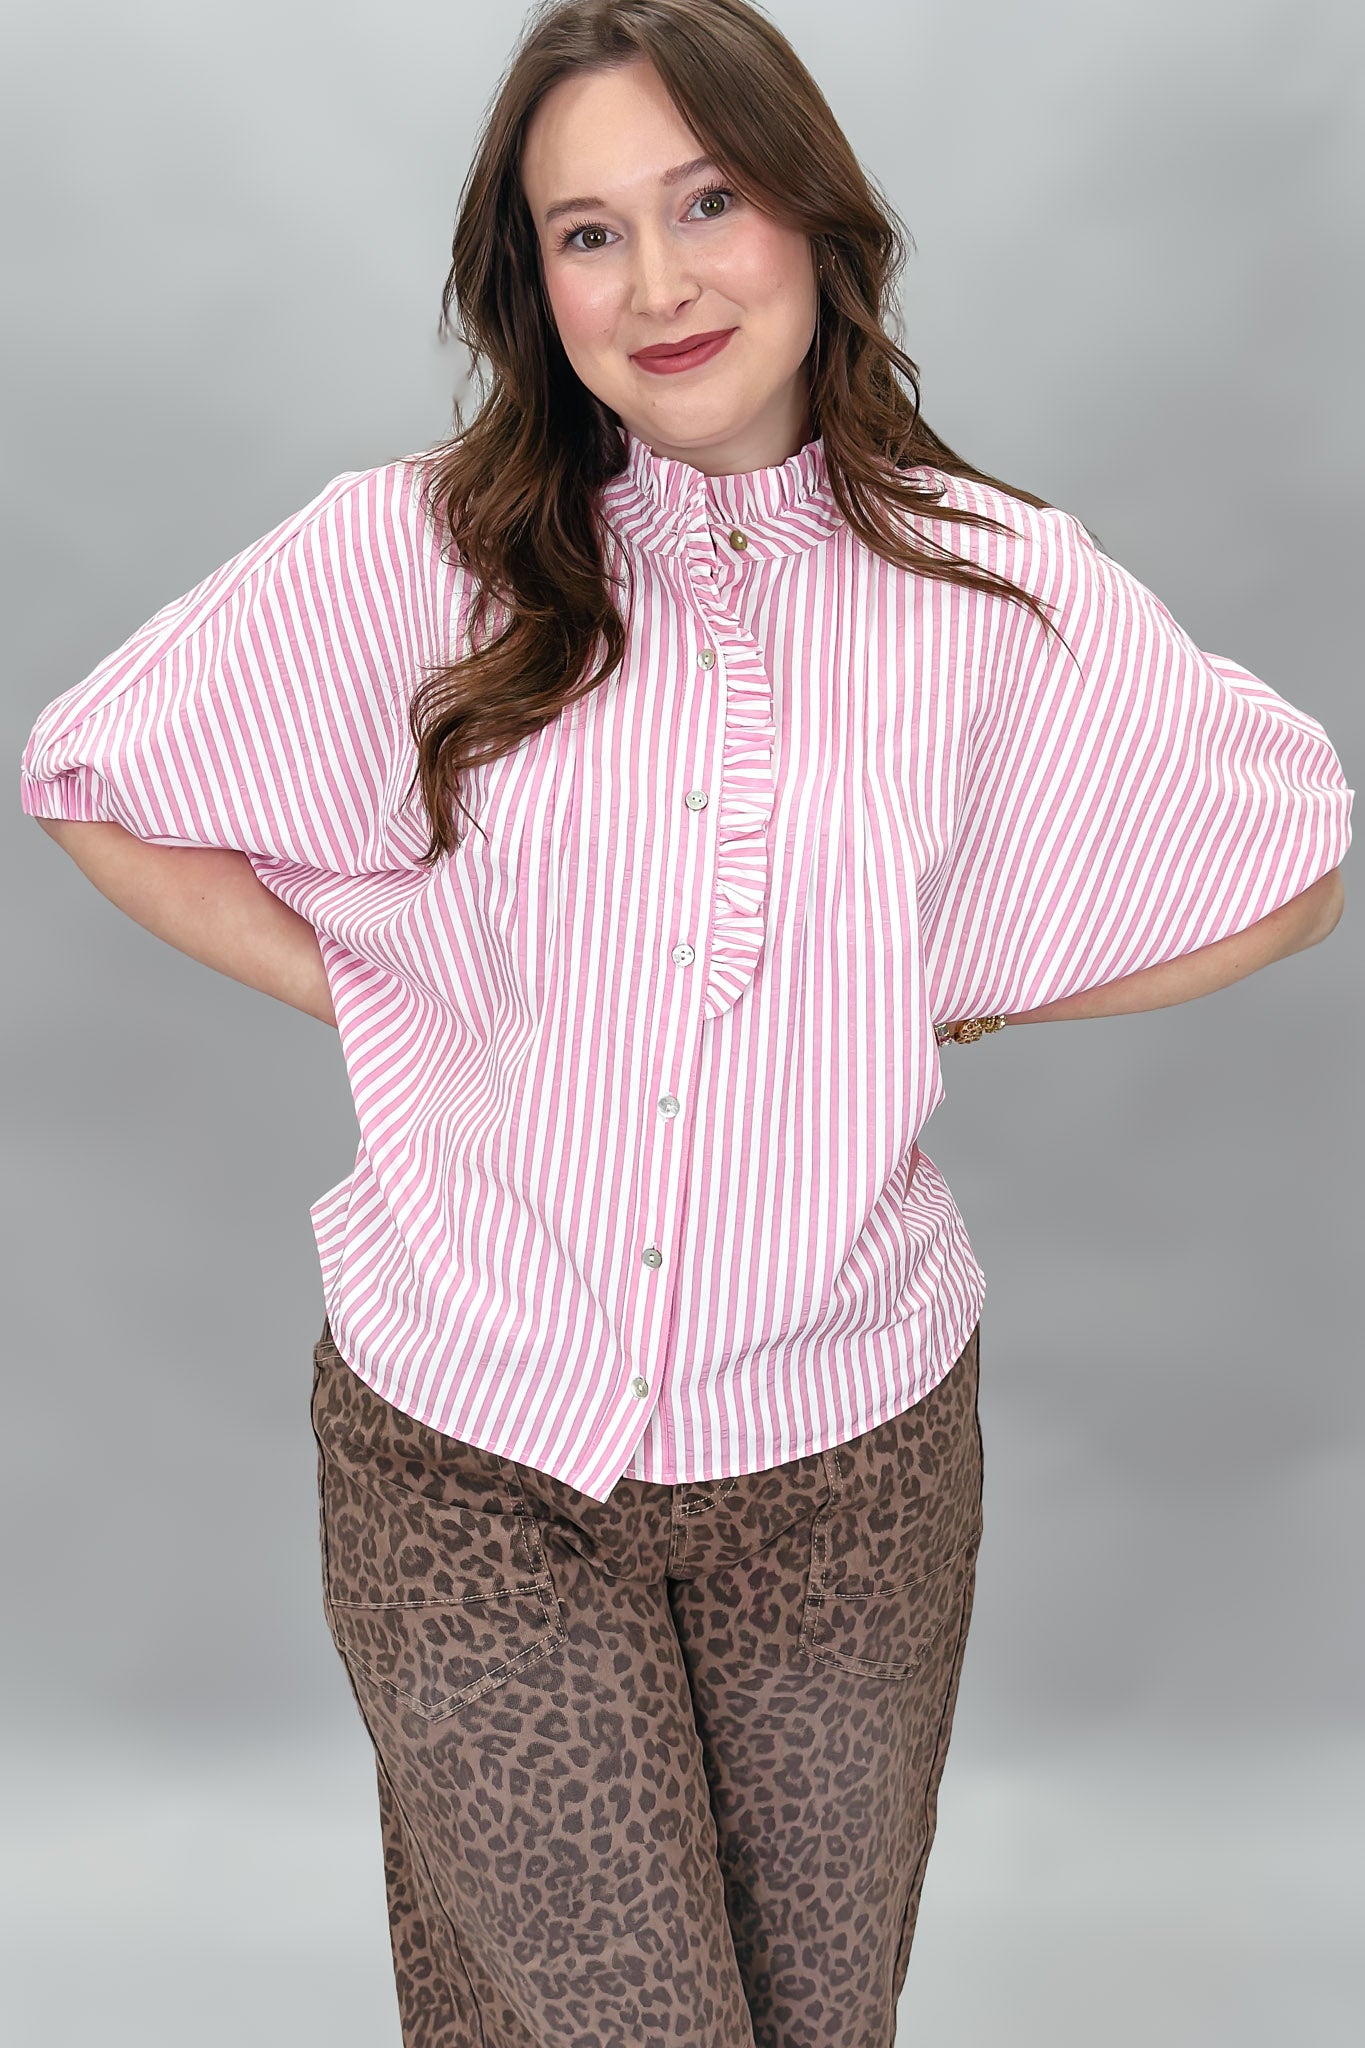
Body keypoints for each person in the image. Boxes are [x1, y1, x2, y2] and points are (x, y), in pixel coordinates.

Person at [19, 2, 1352, 2043]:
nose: (655, 283)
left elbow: (1288, 864)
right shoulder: (417, 554)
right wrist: (389, 985)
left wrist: (927, 986)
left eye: (706, 202)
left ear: (811, 220)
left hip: (849, 1475)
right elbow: (93, 772)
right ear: (532, 282)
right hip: (473, 1459)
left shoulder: (993, 589)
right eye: (587, 233)